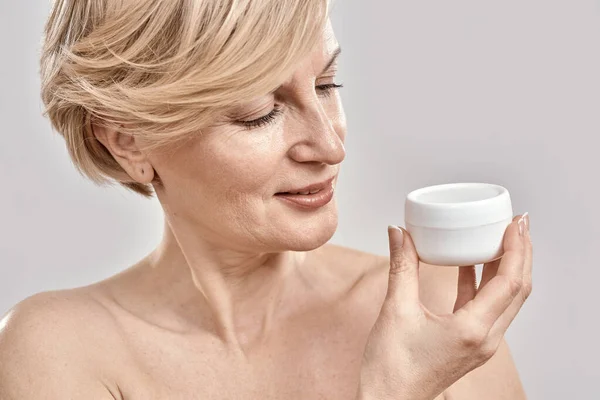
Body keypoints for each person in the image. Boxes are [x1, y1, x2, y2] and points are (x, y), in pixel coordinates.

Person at [0, 0, 533, 399]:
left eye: (327, 84)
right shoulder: (61, 350)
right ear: (129, 141)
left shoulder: (437, 317)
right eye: (259, 112)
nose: (330, 145)